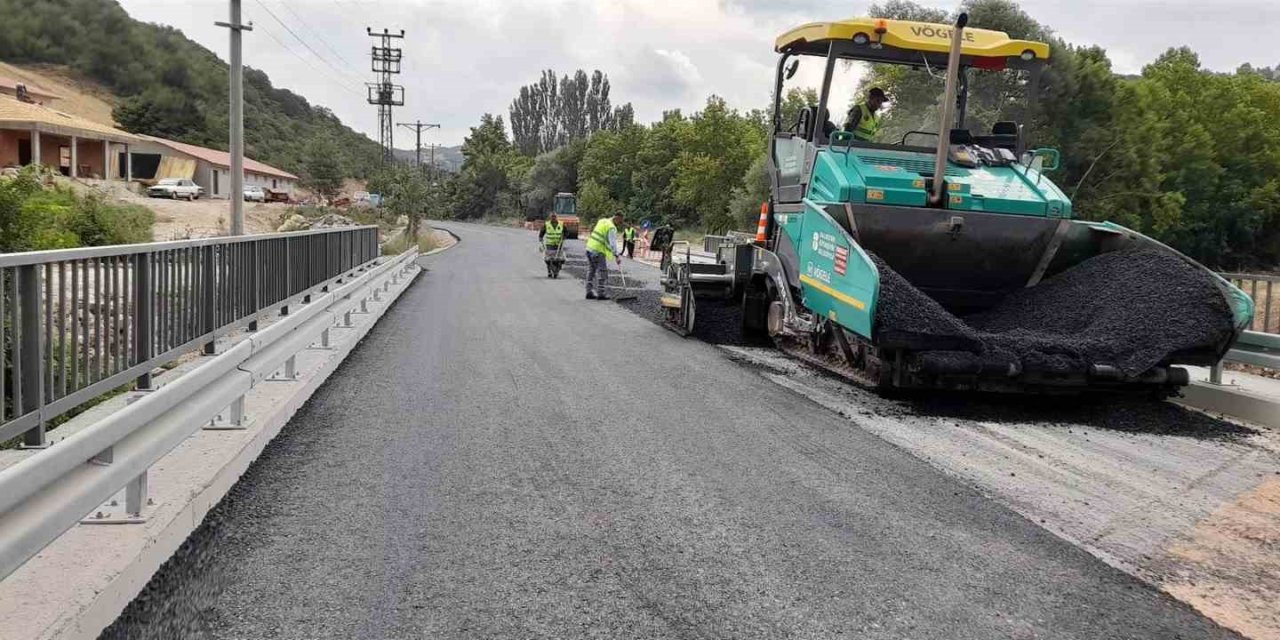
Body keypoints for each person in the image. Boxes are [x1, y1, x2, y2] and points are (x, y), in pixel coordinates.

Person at [584, 212, 623, 300]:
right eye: (620, 222)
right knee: (602, 272)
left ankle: (588, 291)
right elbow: (613, 243)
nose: (620, 224)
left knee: (591, 271)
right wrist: (617, 256)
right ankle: (601, 293)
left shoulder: (602, 221)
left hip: (589, 248)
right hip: (598, 251)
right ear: (616, 218)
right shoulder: (611, 227)